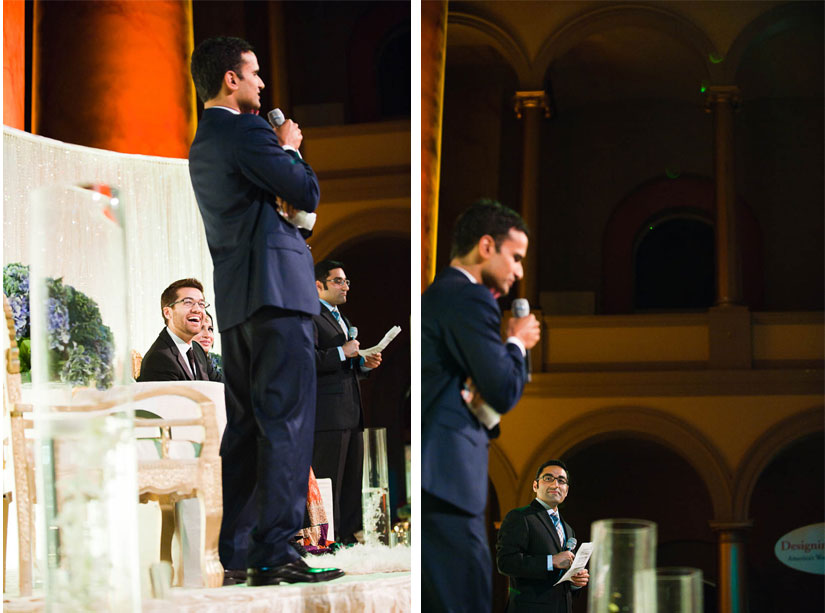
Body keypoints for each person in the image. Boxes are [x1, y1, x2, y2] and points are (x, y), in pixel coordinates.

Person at [188, 36, 342, 586]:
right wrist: (289, 148)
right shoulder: (250, 131)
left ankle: (238, 551)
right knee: (287, 423)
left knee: (249, 428)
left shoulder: (203, 143)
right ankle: (275, 550)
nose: (260, 84)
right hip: (278, 294)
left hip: (236, 301)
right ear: (230, 79)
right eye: (253, 74)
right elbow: (305, 191)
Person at [422, 199, 542, 612]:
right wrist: (517, 342)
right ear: (487, 246)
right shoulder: (469, 298)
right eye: (516, 257)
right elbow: (504, 389)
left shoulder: (440, 294)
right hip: (447, 478)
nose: (519, 271)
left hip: (438, 475)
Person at [311, 260, 382, 546]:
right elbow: (306, 360)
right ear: (319, 285)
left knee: (353, 479)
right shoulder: (311, 317)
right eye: (338, 281)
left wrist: (364, 363)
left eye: (346, 282)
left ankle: (351, 536)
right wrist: (342, 352)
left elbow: (347, 363)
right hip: (327, 413)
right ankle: (326, 540)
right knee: (331, 479)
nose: (345, 287)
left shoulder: (343, 318)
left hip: (352, 409)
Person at [496, 460, 589, 613]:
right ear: (535, 485)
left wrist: (575, 581)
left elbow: (559, 577)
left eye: (561, 481)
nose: (555, 485)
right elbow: (506, 562)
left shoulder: (568, 529)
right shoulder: (520, 517)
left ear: (566, 490)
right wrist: (551, 561)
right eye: (548, 478)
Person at [137, 278, 221, 383]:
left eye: (201, 304)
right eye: (188, 302)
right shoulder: (159, 358)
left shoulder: (197, 349)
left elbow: (221, 383)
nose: (197, 309)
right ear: (168, 313)